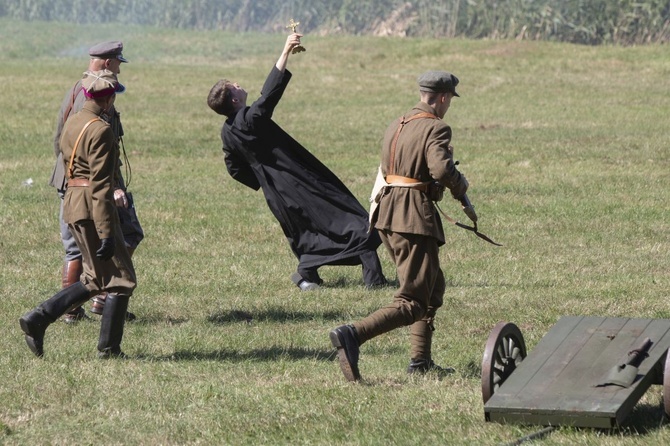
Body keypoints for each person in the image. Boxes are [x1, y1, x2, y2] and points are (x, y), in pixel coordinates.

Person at [207, 33, 387, 290]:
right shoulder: (250, 119)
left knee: (308, 231)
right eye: (233, 86)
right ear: (235, 100)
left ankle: (306, 274)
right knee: (353, 220)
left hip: (276, 193)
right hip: (300, 180)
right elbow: (269, 94)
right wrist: (285, 51)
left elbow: (234, 169)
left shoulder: (227, 132)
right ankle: (374, 282)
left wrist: (261, 180)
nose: (237, 83)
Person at [329, 70, 474, 381]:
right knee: (413, 300)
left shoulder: (398, 122)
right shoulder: (437, 127)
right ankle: (352, 334)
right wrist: (460, 186)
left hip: (386, 212)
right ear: (444, 98)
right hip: (412, 217)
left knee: (432, 285)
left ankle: (420, 361)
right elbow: (440, 168)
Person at [20, 70, 136, 358]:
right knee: (122, 279)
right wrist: (107, 233)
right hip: (91, 207)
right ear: (108, 99)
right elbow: (100, 186)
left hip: (72, 203)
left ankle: (39, 318)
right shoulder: (101, 129)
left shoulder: (74, 121)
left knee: (95, 279)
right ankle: (109, 350)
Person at [49, 41, 143, 322]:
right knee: (126, 235)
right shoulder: (93, 96)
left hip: (72, 181)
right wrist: (111, 186)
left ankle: (72, 310)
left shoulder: (78, 88)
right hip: (93, 184)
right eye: (117, 62)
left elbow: (59, 139)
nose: (119, 67)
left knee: (76, 246)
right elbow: (91, 148)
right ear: (106, 63)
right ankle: (105, 298)